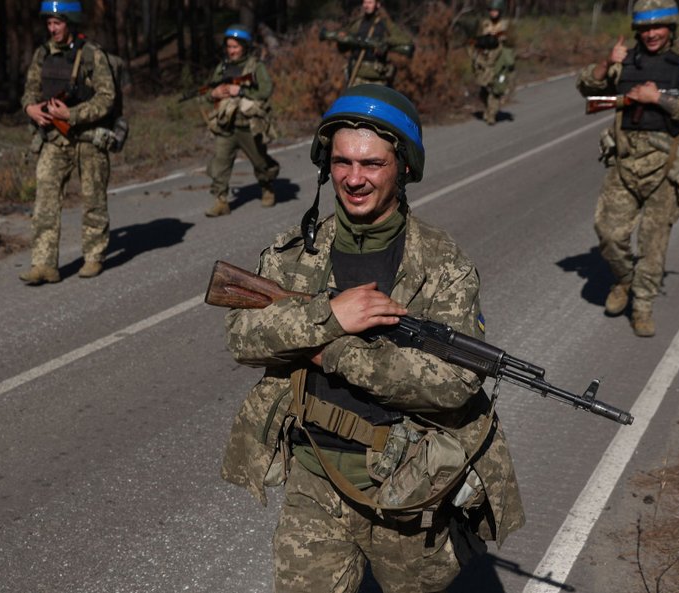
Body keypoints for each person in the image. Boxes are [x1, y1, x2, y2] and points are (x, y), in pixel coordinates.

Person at [218, 85, 525, 592]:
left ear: (403, 167)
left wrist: (329, 349)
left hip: (408, 489)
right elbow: (243, 337)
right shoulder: (295, 255)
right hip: (313, 475)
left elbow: (454, 384)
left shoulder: (442, 265)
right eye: (342, 162)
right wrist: (329, 313)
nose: (354, 179)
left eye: (372, 164)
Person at [575, 0, 679, 337]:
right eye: (645, 28)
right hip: (624, 163)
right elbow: (588, 88)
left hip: (667, 167)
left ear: (671, 28)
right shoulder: (627, 59)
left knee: (653, 244)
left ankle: (642, 306)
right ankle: (625, 280)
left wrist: (660, 100)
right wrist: (607, 64)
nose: (652, 34)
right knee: (608, 233)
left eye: (658, 27)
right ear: (637, 30)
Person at [20, 0, 116, 284]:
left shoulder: (91, 55)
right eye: (49, 23)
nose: (52, 29)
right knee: (45, 201)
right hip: (53, 139)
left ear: (70, 23)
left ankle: (93, 256)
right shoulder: (43, 54)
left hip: (88, 139)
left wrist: (71, 114)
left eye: (57, 23)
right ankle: (44, 264)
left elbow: (107, 98)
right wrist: (30, 109)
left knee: (93, 199)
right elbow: (29, 91)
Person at [203, 24, 280, 218]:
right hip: (226, 125)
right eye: (229, 47)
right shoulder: (222, 68)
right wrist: (214, 93)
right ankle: (221, 200)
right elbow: (207, 93)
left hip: (249, 125)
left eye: (235, 47)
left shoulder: (256, 67)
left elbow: (265, 91)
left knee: (261, 162)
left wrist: (242, 91)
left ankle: (266, 186)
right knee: (219, 163)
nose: (232, 51)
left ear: (244, 46)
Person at [332, 0, 414, 87]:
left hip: (377, 78)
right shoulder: (357, 24)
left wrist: (385, 42)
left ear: (377, 5)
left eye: (370, 2)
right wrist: (342, 39)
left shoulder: (385, 24)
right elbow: (342, 49)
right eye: (365, 2)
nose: (366, 6)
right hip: (356, 76)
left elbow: (406, 40)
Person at [468, 0, 516, 125]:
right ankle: (488, 109)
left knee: (496, 89)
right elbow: (476, 39)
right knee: (483, 89)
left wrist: (500, 38)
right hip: (485, 59)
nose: (493, 13)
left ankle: (491, 115)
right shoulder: (484, 24)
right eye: (491, 11)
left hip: (500, 59)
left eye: (495, 11)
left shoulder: (506, 25)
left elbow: (511, 42)